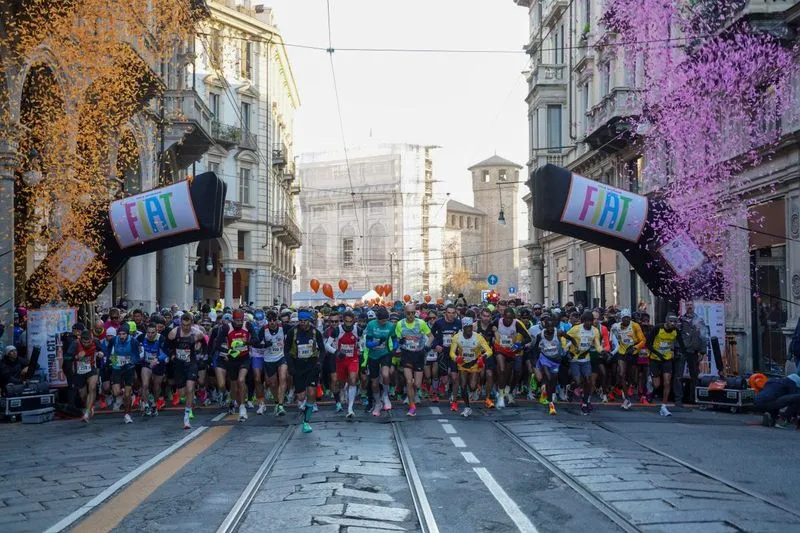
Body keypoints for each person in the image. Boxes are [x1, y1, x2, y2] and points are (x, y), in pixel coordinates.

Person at [284, 310, 326, 433]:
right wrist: (290, 365)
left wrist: (319, 362)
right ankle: (304, 406)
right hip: (297, 366)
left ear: (310, 321)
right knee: (301, 396)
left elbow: (322, 350)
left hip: (312, 365)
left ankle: (306, 422)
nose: (302, 323)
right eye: (301, 321)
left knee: (312, 393)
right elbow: (286, 350)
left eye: (305, 321)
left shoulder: (315, 332)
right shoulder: (293, 332)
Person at [167, 313, 204, 429]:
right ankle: (188, 398)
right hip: (179, 364)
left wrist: (200, 350)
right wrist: (172, 355)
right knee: (183, 393)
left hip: (191, 363)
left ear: (192, 324)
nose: (186, 327)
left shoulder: (197, 333)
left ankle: (186, 417)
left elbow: (205, 343)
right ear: (180, 323)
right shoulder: (174, 333)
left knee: (190, 388)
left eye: (188, 325)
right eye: (183, 325)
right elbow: (166, 346)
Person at [395, 304, 433, 417]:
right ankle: (412, 406)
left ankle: (412, 396)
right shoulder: (400, 324)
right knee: (409, 382)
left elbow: (431, 337)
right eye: (408, 313)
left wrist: (426, 346)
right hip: (406, 354)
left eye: (413, 313)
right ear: (405, 313)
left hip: (419, 355)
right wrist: (399, 342)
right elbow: (396, 338)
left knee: (416, 384)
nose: (411, 315)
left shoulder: (420, 323)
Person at [449, 317, 492, 417]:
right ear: (463, 328)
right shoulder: (457, 337)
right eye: (467, 327)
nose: (469, 330)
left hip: (475, 363)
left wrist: (483, 356)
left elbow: (489, 351)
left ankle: (476, 388)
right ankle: (467, 407)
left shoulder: (478, 337)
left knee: (472, 386)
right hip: (462, 364)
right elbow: (451, 352)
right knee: (463, 385)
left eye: (470, 327)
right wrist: (456, 358)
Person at [492, 308, 531, 409]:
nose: (508, 320)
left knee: (511, 373)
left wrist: (519, 344)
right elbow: (488, 330)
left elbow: (528, 338)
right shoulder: (497, 321)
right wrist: (492, 336)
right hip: (500, 350)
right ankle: (500, 396)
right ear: (503, 316)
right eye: (506, 318)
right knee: (501, 369)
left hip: (512, 351)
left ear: (513, 317)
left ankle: (508, 392)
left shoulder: (517, 324)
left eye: (510, 318)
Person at [326, 310, 362, 418]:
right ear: (343, 321)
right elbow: (327, 345)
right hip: (340, 360)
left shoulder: (358, 330)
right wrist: (336, 352)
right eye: (346, 321)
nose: (348, 324)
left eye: (350, 322)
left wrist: (361, 348)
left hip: (353, 359)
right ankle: (343, 390)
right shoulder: (337, 331)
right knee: (340, 382)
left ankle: (350, 408)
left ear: (354, 321)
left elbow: (361, 342)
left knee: (352, 379)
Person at [565, 311, 602, 415]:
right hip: (575, 359)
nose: (589, 324)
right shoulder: (576, 329)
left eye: (590, 321)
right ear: (582, 321)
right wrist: (566, 350)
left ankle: (585, 402)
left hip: (586, 359)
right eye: (586, 322)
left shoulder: (595, 331)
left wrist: (602, 351)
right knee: (577, 381)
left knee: (588, 380)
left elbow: (597, 345)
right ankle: (570, 389)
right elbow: (565, 337)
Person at [363, 307, 397, 417]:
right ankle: (377, 403)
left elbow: (394, 339)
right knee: (374, 382)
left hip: (385, 353)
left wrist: (394, 348)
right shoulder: (371, 325)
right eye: (382, 320)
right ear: (377, 319)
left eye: (386, 320)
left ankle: (385, 396)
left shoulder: (390, 326)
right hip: (373, 356)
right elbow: (368, 343)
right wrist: (377, 343)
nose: (384, 322)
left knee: (386, 374)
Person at [647, 313, 682, 417]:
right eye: (671, 321)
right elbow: (648, 344)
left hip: (666, 359)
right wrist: (658, 354)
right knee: (657, 385)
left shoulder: (676, 331)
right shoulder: (658, 328)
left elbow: (681, 344)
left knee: (667, 382)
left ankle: (664, 407)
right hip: (655, 358)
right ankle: (650, 379)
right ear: (666, 321)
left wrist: (678, 352)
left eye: (674, 322)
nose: (672, 323)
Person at [105, 323, 140, 424]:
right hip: (117, 366)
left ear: (128, 334)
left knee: (127, 394)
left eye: (123, 334)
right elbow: (108, 350)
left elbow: (137, 357)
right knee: (116, 392)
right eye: (119, 334)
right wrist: (109, 359)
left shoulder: (133, 341)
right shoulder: (114, 339)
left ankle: (127, 414)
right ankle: (124, 393)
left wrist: (130, 362)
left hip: (129, 367)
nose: (121, 336)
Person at [610, 310, 646, 410]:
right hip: (622, 352)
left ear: (630, 318)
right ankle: (626, 398)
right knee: (621, 374)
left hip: (633, 353)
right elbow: (613, 338)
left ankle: (630, 387)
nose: (626, 320)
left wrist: (634, 347)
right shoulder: (616, 326)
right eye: (624, 318)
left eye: (628, 318)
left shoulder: (635, 326)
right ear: (621, 318)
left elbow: (643, 340)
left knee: (632, 377)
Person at [532, 316, 566, 415]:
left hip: (555, 360)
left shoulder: (559, 332)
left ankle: (547, 394)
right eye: (548, 326)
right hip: (544, 358)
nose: (550, 328)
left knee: (553, 379)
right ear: (544, 326)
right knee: (548, 376)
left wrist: (573, 345)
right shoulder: (540, 335)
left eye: (552, 326)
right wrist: (535, 364)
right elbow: (535, 349)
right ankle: (551, 403)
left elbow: (570, 338)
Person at [676, 301, 707, 405]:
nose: (689, 307)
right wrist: (675, 349)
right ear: (685, 307)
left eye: (691, 305)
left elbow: (703, 336)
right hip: (682, 351)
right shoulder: (680, 320)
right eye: (687, 305)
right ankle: (678, 399)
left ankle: (693, 398)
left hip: (694, 351)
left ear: (694, 306)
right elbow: (676, 335)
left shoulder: (699, 320)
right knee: (678, 376)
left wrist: (702, 352)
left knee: (694, 376)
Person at [68, 331, 101, 422]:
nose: (86, 344)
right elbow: (66, 357)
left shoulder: (96, 341)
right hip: (80, 371)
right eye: (84, 342)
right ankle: (90, 406)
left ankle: (86, 413)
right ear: (80, 340)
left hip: (91, 368)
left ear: (91, 340)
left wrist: (100, 353)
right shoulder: (75, 343)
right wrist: (76, 357)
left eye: (88, 342)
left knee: (92, 388)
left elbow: (103, 350)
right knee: (83, 395)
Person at [140, 322, 168, 416]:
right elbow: (134, 347)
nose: (150, 335)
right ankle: (146, 405)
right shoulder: (141, 337)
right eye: (148, 332)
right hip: (146, 364)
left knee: (156, 387)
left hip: (158, 364)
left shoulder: (161, 339)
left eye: (153, 333)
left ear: (157, 331)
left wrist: (157, 359)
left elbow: (166, 352)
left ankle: (154, 404)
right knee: (145, 384)